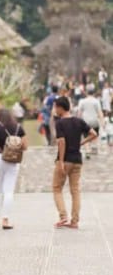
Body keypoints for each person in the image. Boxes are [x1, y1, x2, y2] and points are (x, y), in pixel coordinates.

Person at [52, 96, 98, 229]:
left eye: (56, 107)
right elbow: (94, 133)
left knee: (57, 188)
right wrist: (81, 143)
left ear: (61, 108)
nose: (55, 109)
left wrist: (60, 161)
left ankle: (63, 217)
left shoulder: (60, 123)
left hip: (65, 160)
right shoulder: (79, 121)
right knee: (75, 191)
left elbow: (62, 142)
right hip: (77, 160)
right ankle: (74, 221)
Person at [0, 108, 27, 230]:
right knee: (8, 191)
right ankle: (6, 219)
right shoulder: (18, 128)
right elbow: (25, 146)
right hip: (12, 161)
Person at [76, 84, 103, 156]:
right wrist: (102, 122)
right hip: (95, 122)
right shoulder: (96, 101)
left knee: (86, 136)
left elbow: (79, 113)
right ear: (93, 92)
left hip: (85, 122)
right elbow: (100, 112)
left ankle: (87, 150)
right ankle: (94, 147)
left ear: (87, 92)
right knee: (95, 135)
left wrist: (78, 122)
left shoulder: (82, 101)